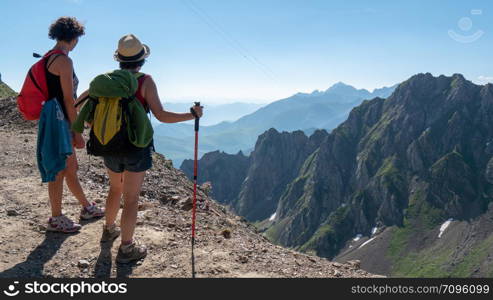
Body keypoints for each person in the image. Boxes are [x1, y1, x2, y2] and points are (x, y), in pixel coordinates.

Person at [77, 34, 203, 263]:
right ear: (142, 60)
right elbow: (162, 116)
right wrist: (191, 115)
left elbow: (81, 103)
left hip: (109, 144)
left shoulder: (107, 82)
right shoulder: (145, 81)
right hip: (136, 146)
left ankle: (109, 229)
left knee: (115, 189)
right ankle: (127, 248)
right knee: (132, 198)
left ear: (119, 59)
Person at [44, 17, 104, 233]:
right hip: (62, 122)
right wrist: (76, 130)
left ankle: (87, 207)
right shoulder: (63, 61)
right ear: (75, 38)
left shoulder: (48, 57)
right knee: (61, 169)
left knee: (70, 168)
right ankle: (55, 218)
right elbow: (69, 100)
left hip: (53, 119)